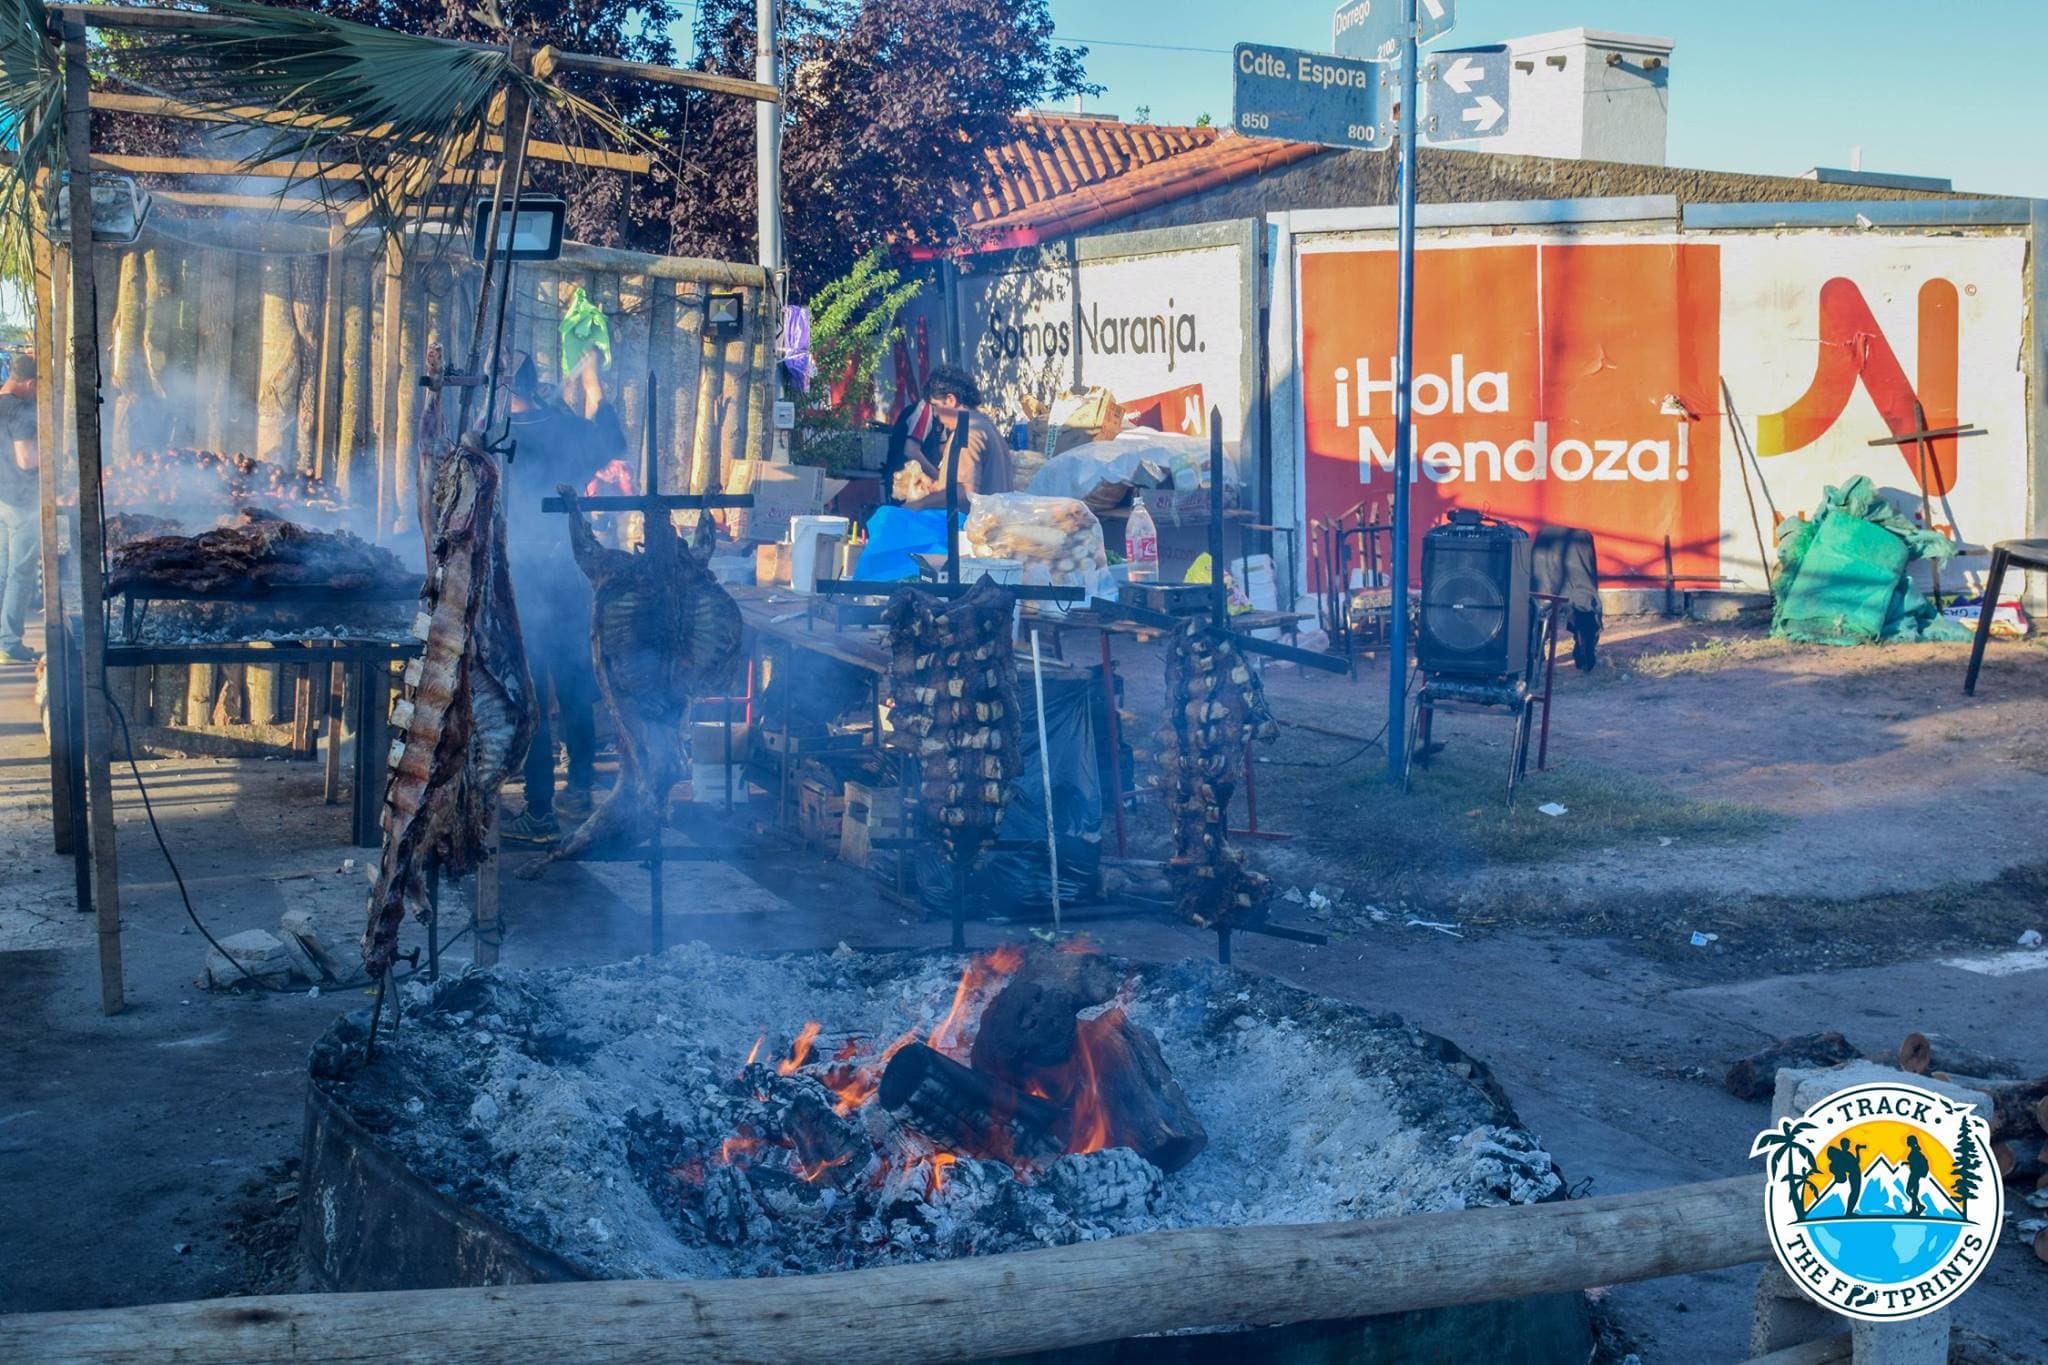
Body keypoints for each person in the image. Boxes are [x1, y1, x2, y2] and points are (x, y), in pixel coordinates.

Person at [497, 352, 611, 843]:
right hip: (572, 568)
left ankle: (539, 811)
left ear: (504, 386)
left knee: (533, 693)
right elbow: (610, 439)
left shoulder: (499, 437)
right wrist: (593, 384)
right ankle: (581, 788)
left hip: (525, 575)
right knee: (572, 683)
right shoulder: (566, 426)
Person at [898, 366, 1015, 509]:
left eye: (935, 406)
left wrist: (919, 504)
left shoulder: (966, 430)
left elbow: (965, 491)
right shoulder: (983, 423)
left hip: (976, 526)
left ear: (950, 400)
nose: (936, 415)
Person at [0, 353, 40, 664]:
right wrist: (53, 458)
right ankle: (10, 643)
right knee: (20, 572)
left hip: (1, 498)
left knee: (3, 571)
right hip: (20, 501)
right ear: (29, 383)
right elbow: (26, 460)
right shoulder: (21, 410)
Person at [1824, 1138, 1863, 1217]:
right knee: (1854, 1193)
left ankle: (1849, 1211)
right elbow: (1856, 1162)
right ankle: (1849, 1212)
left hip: (1854, 1174)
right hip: (1854, 1174)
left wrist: (1857, 1150)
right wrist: (1857, 1150)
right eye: (1848, 1144)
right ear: (1844, 1145)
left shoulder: (1844, 1154)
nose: (1849, 1145)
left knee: (1854, 1193)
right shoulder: (1845, 1154)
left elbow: (1854, 1162)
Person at [1903, 1135, 1930, 1216]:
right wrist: (1907, 1163)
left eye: (1908, 1140)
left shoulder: (1915, 1152)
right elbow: (1914, 1162)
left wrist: (1908, 1163)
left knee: (1909, 1191)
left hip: (1914, 1174)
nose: (1906, 1142)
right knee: (1913, 1193)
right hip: (1915, 1174)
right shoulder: (1915, 1151)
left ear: (1911, 1142)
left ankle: (1918, 1207)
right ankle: (1916, 1208)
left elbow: (1915, 1163)